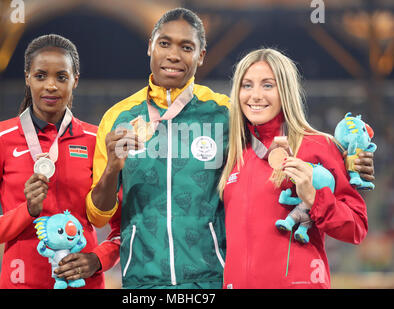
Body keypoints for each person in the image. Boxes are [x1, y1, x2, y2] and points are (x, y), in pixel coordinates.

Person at [86, 8, 375, 289]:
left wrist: (354, 158)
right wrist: (113, 167)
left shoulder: (223, 114)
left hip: (213, 277)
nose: (173, 55)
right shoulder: (118, 119)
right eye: (164, 43)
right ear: (150, 46)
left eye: (186, 46)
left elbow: (288, 137)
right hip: (143, 280)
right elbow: (99, 216)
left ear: (201, 55)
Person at [0, 34, 120, 289]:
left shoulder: (97, 140)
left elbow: (124, 229)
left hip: (85, 284)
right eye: (40, 76)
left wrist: (97, 260)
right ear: (27, 78)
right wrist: (26, 212)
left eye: (61, 76)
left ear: (75, 80)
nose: (51, 86)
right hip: (20, 283)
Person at [218, 48, 370, 289]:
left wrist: (315, 198)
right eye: (247, 85)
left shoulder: (319, 145)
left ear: (285, 91)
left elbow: (356, 227)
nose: (255, 95)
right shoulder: (233, 154)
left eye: (268, 85)